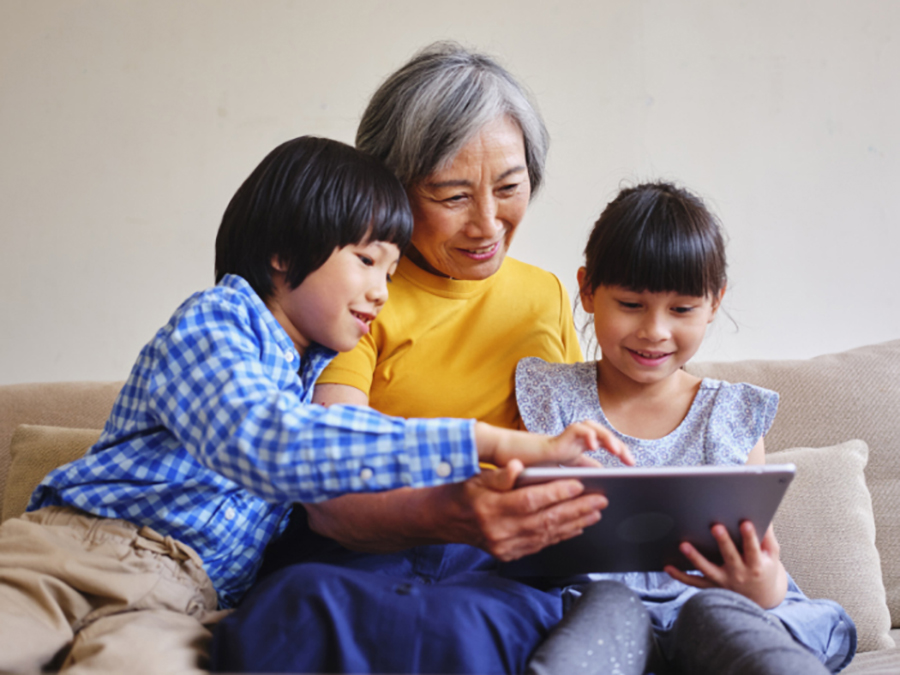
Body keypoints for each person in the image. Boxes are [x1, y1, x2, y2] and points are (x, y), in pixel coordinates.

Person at [0, 135, 619, 674]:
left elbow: (351, 451)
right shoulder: (216, 323)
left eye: (392, 270)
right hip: (80, 552)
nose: (381, 292)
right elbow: (270, 441)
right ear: (285, 254)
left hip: (185, 603)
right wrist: (493, 441)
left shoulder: (310, 377)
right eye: (367, 262)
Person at [210, 43, 642, 674]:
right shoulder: (355, 296)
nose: (488, 223)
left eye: (510, 187)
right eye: (452, 195)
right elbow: (329, 491)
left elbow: (584, 448)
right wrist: (459, 515)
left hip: (504, 569)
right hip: (368, 554)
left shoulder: (543, 294)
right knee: (315, 610)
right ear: (392, 189)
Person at [516, 181, 858, 674]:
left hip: (715, 604)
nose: (655, 330)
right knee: (608, 611)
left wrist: (762, 585)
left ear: (713, 304)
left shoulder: (732, 415)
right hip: (597, 605)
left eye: (681, 310)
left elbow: (765, 567)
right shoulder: (550, 397)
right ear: (588, 291)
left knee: (718, 616)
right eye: (631, 304)